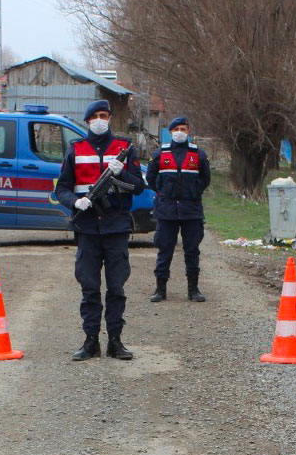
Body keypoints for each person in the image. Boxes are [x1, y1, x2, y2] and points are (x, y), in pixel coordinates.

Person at [54, 99, 146, 361]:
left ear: (110, 118)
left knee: (116, 288)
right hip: (87, 227)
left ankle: (115, 341)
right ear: (86, 121)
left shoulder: (124, 148)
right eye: (94, 116)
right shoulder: (76, 149)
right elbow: (61, 189)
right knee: (90, 288)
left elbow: (138, 186)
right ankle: (91, 341)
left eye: (104, 115)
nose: (99, 120)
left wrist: (122, 174)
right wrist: (75, 201)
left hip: (116, 226)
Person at [146, 115, 211, 302]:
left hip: (191, 210)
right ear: (171, 132)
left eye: (183, 129)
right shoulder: (159, 154)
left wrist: (194, 191)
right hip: (167, 210)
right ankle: (160, 290)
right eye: (176, 130)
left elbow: (206, 179)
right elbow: (151, 179)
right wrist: (164, 192)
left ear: (188, 131)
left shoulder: (199, 154)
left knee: (192, 250)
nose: (180, 133)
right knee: (164, 249)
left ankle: (193, 290)